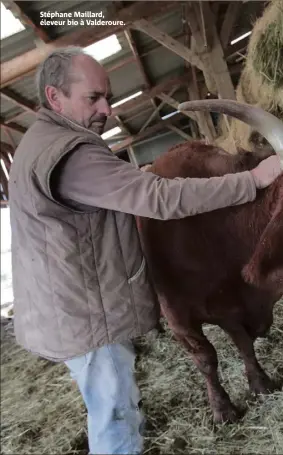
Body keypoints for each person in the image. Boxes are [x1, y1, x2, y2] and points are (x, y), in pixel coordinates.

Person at [8, 46, 282, 455]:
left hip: (71, 310)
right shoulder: (68, 152)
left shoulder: (45, 143)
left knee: (114, 404)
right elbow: (156, 199)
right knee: (116, 415)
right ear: (54, 97)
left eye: (109, 98)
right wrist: (254, 179)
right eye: (94, 98)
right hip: (86, 319)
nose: (108, 110)